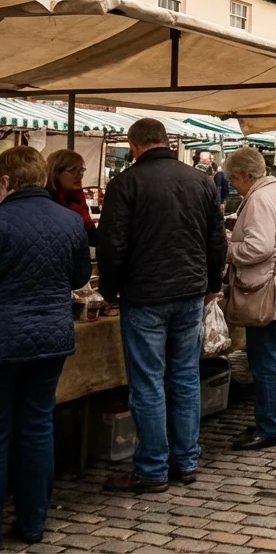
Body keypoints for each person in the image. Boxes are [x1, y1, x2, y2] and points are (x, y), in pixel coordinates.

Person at [97, 119, 226, 493]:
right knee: (184, 377)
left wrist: (109, 289)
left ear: (134, 145)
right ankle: (185, 459)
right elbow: (216, 238)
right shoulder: (199, 180)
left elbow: (111, 245)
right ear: (166, 141)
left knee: (149, 383)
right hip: (187, 291)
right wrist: (212, 283)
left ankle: (153, 467)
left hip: (147, 294)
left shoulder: (126, 183)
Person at [0, 147, 91, 543]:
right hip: (51, 336)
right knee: (37, 426)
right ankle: (33, 522)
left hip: (6, 336)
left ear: (6, 182)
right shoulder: (70, 221)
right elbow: (78, 276)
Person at [223, 148, 276, 450]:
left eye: (234, 179)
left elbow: (257, 249)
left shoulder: (260, 199)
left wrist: (228, 250)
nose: (234, 185)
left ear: (246, 175)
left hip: (269, 290)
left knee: (265, 361)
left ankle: (271, 427)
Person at [45, 148, 97, 245]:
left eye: (81, 171)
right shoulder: (47, 200)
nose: (79, 176)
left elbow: (92, 238)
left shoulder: (78, 199)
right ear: (56, 173)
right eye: (73, 171)